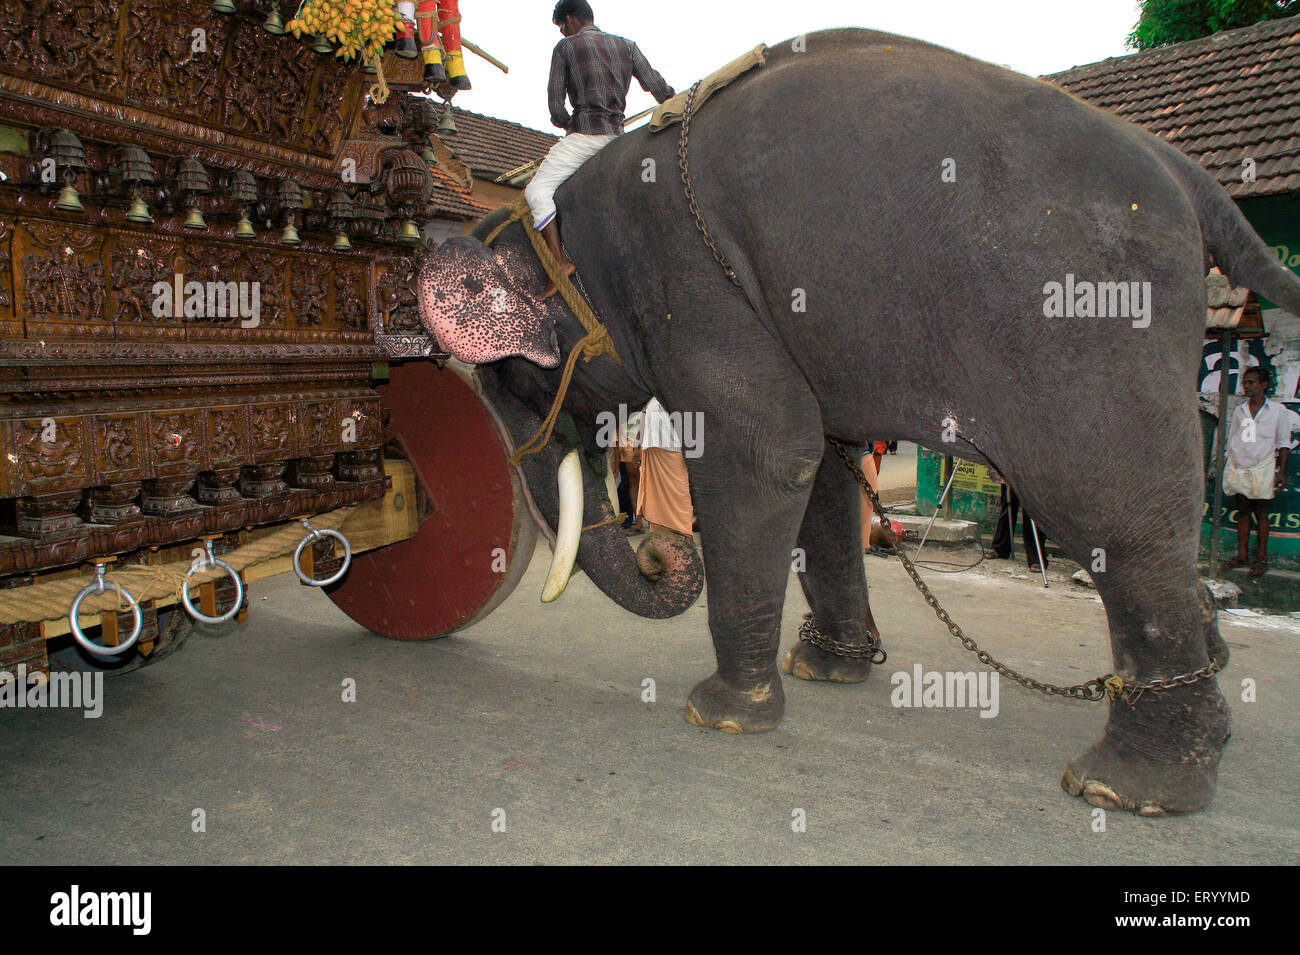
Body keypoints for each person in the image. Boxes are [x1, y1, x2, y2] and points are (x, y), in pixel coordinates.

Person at [525, 1, 675, 298]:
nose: (563, 32)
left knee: (536, 192)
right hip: (618, 140)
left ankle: (560, 262)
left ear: (569, 20)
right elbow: (661, 90)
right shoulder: (627, 46)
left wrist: (569, 121)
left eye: (562, 27)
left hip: (584, 137)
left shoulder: (565, 48)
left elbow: (555, 108)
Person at [1223, 366, 1294, 577]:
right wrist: (1231, 462)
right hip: (1239, 465)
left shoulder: (1277, 411)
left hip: (1263, 466)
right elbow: (1232, 438)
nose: (1247, 386)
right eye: (1245, 383)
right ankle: (1242, 555)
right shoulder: (1240, 410)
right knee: (1243, 511)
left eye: (1251, 382)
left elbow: (1283, 442)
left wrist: (1281, 472)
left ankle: (1261, 558)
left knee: (1261, 513)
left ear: (1263, 385)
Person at [636, 398, 694, 538]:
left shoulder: (679, 388)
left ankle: (686, 534)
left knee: (679, 492)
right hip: (651, 447)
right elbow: (644, 415)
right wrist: (636, 445)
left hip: (674, 448)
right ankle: (660, 536)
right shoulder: (649, 393)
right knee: (654, 494)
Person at [985, 471, 1049, 572]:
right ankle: (1001, 548)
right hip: (1011, 465)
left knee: (1031, 510)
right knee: (1008, 503)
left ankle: (1036, 557)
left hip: (1033, 467)